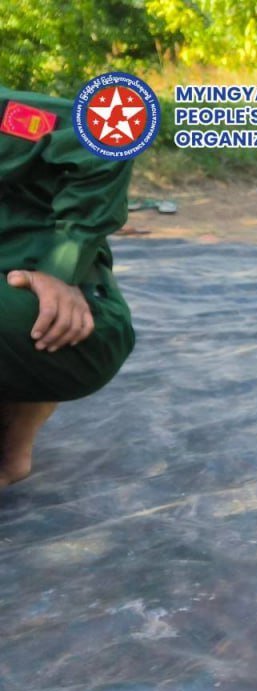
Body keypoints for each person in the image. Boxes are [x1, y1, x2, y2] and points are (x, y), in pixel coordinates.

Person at [0, 86, 136, 487]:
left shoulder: (9, 117)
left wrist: (59, 268)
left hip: (67, 321)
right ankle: (12, 445)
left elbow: (106, 138)